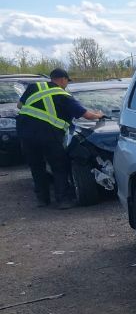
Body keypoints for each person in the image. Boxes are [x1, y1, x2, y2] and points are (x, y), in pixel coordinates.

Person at [16, 68, 104, 209]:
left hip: (26, 134)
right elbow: (86, 115)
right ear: (63, 79)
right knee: (59, 166)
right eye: (66, 82)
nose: (66, 85)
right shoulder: (63, 95)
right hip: (49, 136)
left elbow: (19, 105)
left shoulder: (34, 87)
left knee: (37, 167)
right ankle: (63, 200)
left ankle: (42, 200)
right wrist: (98, 115)